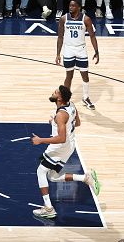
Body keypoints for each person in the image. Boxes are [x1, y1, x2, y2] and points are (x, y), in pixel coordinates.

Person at [31, 85, 100, 219]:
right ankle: (84, 177)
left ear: (60, 98)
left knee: (41, 171)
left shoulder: (61, 115)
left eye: (55, 92)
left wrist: (40, 140)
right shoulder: (72, 105)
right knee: (52, 177)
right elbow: (77, 123)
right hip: (69, 145)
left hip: (60, 147)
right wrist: (55, 123)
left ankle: (48, 208)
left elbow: (61, 138)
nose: (53, 92)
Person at [56, 0, 99, 109]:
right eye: (70, 5)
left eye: (73, 6)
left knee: (85, 75)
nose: (71, 7)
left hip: (81, 50)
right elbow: (60, 37)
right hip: (69, 49)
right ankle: (65, 99)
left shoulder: (86, 19)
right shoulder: (63, 19)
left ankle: (85, 97)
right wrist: (58, 54)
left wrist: (96, 51)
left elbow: (92, 36)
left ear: (79, 7)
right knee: (69, 76)